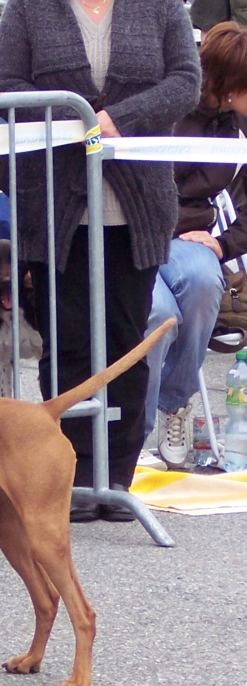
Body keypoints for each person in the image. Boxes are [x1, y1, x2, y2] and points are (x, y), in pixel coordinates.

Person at [0, 0, 200, 522]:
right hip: (54, 205)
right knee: (67, 342)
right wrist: (80, 120)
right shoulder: (28, 8)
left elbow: (185, 82)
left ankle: (117, 475)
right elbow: (5, 85)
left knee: (126, 341)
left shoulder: (160, 6)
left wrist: (115, 119)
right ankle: (73, 475)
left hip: (137, 208)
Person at [146, 21, 247, 468]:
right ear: (229, 86)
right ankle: (133, 428)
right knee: (158, 314)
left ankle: (175, 403)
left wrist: (224, 244)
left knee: (206, 282)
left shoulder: (239, 123)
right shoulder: (168, 102)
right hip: (134, 229)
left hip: (190, 234)